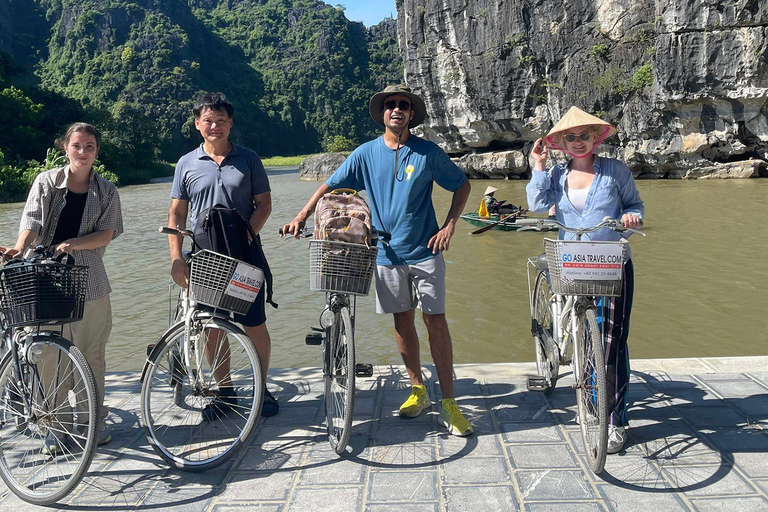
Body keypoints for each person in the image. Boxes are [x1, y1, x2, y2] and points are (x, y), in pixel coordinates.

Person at [283, 84, 474, 436]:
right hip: (385, 253)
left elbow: (462, 186)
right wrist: (303, 214)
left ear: (412, 114)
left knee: (436, 322)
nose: (397, 110)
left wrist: (449, 226)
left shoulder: (428, 153)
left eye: (403, 105)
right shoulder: (366, 153)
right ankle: (418, 389)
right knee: (403, 323)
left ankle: (449, 402)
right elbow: (330, 186)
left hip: (425, 251)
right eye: (390, 105)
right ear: (383, 113)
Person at [527, 106, 644, 454]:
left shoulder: (615, 171)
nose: (578, 142)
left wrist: (631, 217)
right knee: (587, 341)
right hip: (571, 263)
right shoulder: (556, 176)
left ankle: (613, 419)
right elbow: (535, 204)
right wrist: (538, 166)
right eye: (570, 137)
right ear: (561, 143)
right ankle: (590, 401)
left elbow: (635, 206)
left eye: (584, 135)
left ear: (596, 137)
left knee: (610, 345)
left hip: (611, 264)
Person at [4, 122, 123, 451]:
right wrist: (19, 246)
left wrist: (72, 243)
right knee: (46, 356)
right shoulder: (46, 182)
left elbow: (106, 234)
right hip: (43, 281)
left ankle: (92, 422)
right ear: (65, 148)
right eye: (77, 146)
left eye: (89, 146)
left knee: (91, 355)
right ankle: (57, 425)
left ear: (97, 151)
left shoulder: (107, 191)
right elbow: (31, 222)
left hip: (90, 282)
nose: (82, 152)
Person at [168, 92, 278, 419]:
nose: (214, 126)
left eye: (221, 120)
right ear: (197, 124)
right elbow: (176, 216)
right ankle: (225, 392)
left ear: (230, 123)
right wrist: (176, 258)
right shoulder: (186, 164)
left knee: (254, 323)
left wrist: (245, 235)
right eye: (208, 120)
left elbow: (265, 204)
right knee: (213, 326)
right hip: (204, 259)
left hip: (245, 258)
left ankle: (262, 388)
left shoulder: (249, 159)